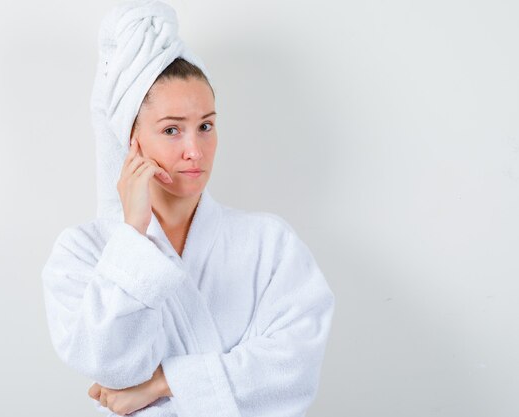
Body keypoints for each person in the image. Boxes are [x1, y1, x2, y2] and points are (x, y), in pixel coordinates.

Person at [41, 2, 334, 417]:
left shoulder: (271, 244)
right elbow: (112, 365)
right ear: (132, 139)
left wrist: (165, 383)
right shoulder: (81, 252)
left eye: (206, 126)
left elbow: (293, 367)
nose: (195, 151)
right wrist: (133, 233)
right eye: (172, 129)